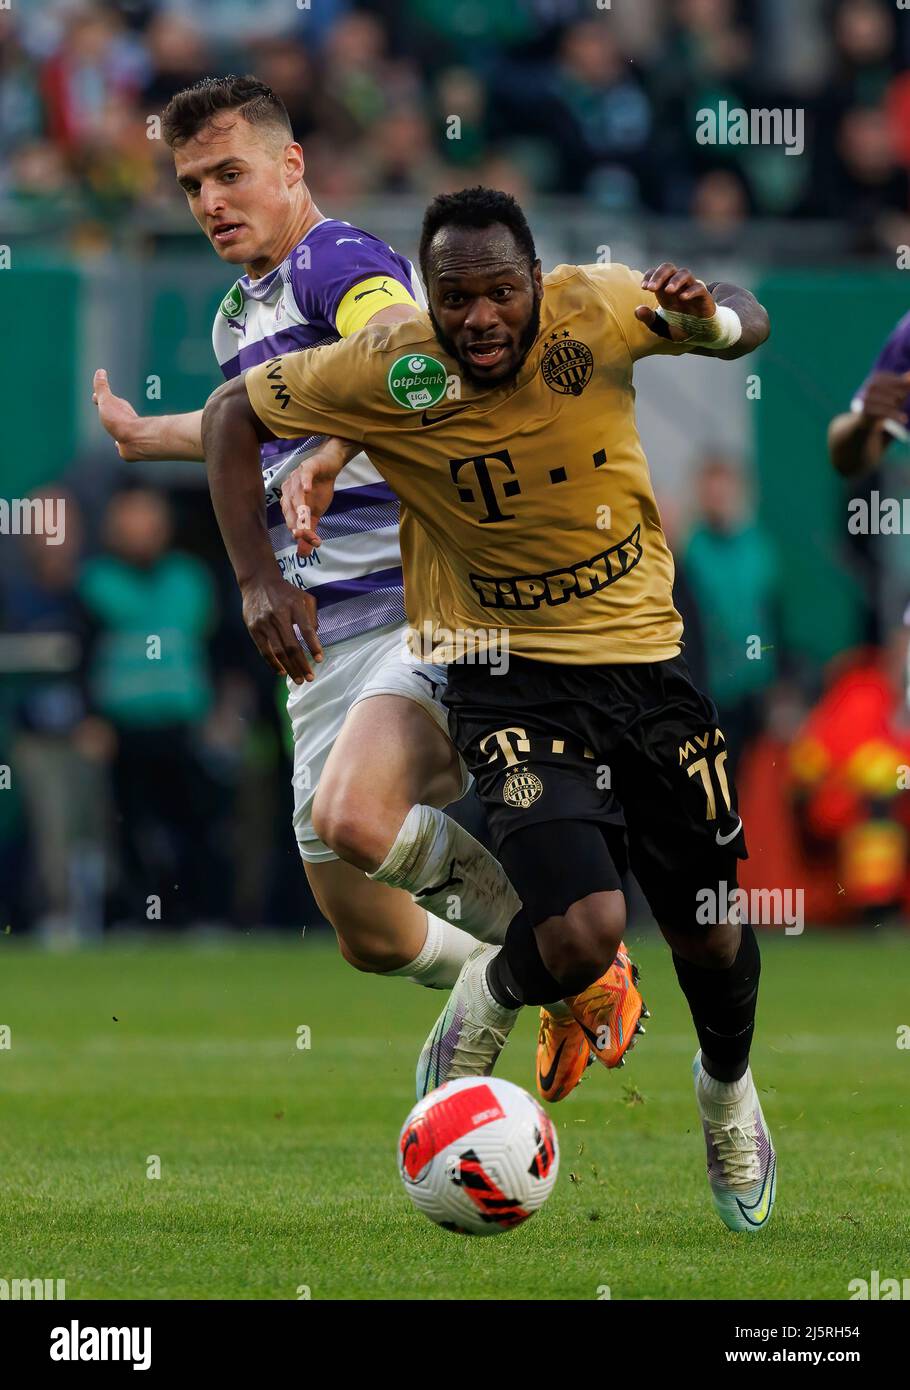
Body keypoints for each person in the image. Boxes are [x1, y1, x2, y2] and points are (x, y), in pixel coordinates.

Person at [202, 186, 776, 1234]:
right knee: (585, 930)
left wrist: (713, 319)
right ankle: (492, 995)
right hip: (503, 677)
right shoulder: (392, 364)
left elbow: (743, 317)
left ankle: (725, 1092)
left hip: (644, 668)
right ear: (430, 296)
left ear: (532, 284)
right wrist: (256, 579)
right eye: (456, 296)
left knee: (709, 934)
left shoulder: (595, 308)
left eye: (499, 293)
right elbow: (230, 413)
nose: (478, 318)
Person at [91, 78, 636, 1091]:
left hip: (417, 607)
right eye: (192, 183)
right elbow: (256, 426)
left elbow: (409, 360)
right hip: (323, 648)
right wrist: (150, 437)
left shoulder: (333, 262)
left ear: (291, 166)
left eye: (230, 174)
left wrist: (338, 450)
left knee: (355, 818)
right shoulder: (234, 316)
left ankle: (574, 956)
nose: (211, 200)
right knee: (373, 936)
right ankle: (536, 968)